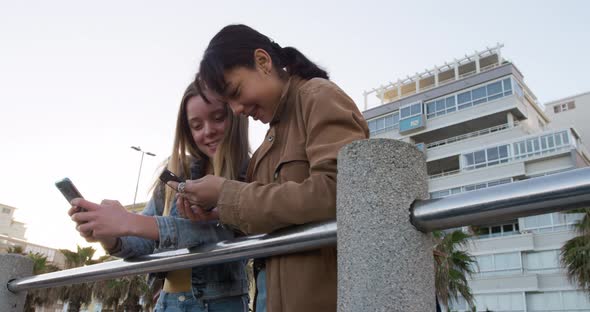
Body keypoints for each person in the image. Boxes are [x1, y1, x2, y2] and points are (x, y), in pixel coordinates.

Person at [169, 24, 369, 312]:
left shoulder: (318, 96)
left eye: (236, 92)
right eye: (229, 103)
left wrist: (227, 193)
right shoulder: (267, 145)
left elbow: (339, 192)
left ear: (263, 62)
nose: (237, 110)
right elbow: (274, 215)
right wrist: (217, 211)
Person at [69, 82, 250, 312]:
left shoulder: (251, 171)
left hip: (221, 303)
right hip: (166, 302)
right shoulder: (175, 170)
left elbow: (225, 236)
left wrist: (130, 221)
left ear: (235, 116)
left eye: (217, 117)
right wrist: (109, 235)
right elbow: (143, 243)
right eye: (196, 125)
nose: (207, 130)